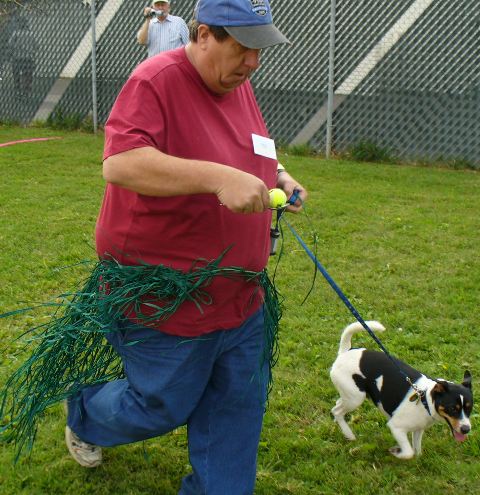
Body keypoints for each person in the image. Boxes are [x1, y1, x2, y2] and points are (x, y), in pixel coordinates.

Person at [65, 0, 307, 493]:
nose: (253, 62)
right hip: (169, 297)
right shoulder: (156, 81)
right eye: (242, 47)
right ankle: (86, 413)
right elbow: (122, 162)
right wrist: (218, 178)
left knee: (236, 409)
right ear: (203, 35)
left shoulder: (238, 84)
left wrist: (276, 175)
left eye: (260, 49)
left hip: (240, 298)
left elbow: (254, 143)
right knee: (160, 405)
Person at [8, 18, 37, 97]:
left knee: (16, 74)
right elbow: (36, 46)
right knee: (27, 74)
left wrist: (11, 53)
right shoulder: (31, 34)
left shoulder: (16, 33)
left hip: (17, 57)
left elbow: (10, 45)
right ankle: (27, 91)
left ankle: (17, 90)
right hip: (28, 58)